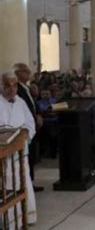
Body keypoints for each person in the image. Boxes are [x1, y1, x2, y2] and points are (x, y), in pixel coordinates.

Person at [0, 71, 37, 230]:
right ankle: (11, 224)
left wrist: (26, 133)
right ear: (1, 85)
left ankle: (26, 217)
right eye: (7, 85)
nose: (11, 88)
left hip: (20, 153)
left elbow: (30, 123)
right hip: (4, 156)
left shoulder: (21, 102)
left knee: (23, 183)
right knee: (8, 188)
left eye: (14, 84)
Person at [14, 63, 44, 192]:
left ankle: (30, 180)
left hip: (31, 125)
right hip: (23, 128)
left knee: (31, 155)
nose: (28, 73)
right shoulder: (17, 89)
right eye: (25, 71)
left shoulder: (26, 87)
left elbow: (32, 104)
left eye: (28, 71)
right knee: (27, 155)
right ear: (17, 73)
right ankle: (27, 182)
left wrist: (38, 114)